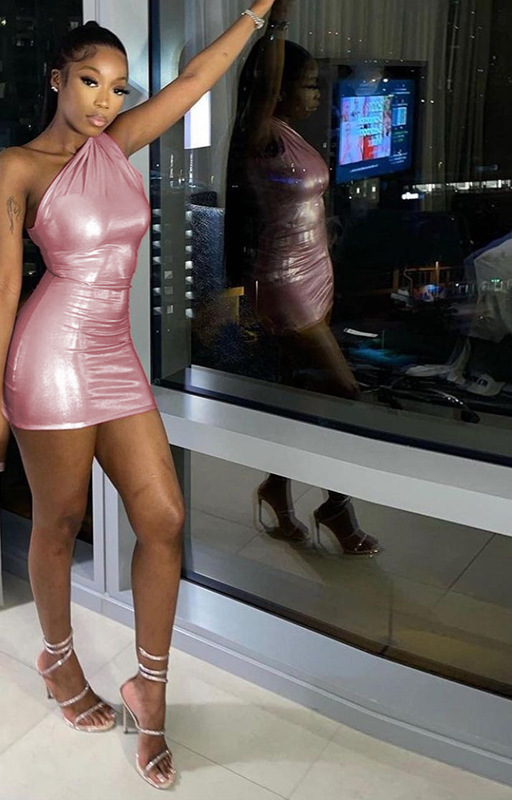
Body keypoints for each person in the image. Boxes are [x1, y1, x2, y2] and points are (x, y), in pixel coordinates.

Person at [0, 3, 276, 790]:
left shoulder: (117, 144)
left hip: (114, 355)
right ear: (57, 80)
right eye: (90, 82)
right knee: (60, 519)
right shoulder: (18, 167)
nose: (106, 101)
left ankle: (150, 689)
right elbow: (0, 287)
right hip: (50, 359)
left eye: (119, 88)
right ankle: (59, 660)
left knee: (163, 518)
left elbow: (197, 78)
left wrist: (254, 14)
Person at [224, 0, 381, 557]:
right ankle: (336, 506)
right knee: (345, 395)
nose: (317, 94)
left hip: (316, 272)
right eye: (309, 84)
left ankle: (276, 487)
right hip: (285, 282)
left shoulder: (290, 134)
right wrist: (278, 19)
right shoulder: (260, 131)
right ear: (280, 88)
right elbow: (262, 85)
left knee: (298, 394)